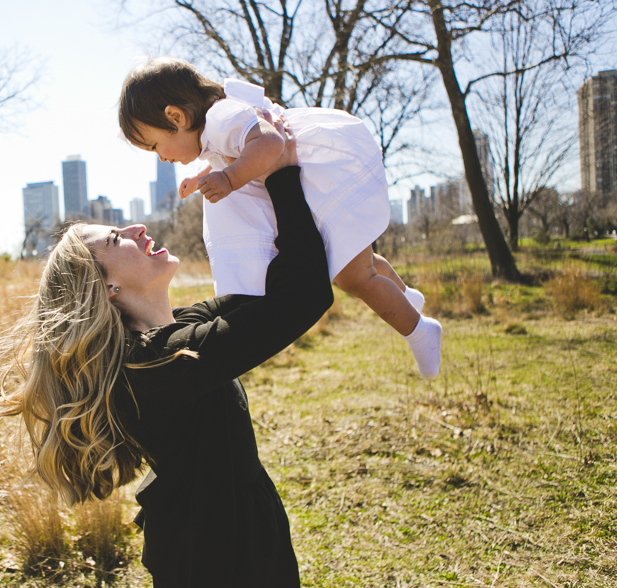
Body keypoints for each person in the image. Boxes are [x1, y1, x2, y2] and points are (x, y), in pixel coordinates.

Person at [0, 132, 330, 588]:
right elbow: (303, 297)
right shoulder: (155, 364)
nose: (137, 229)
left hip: (236, 533)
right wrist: (280, 172)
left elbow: (275, 289)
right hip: (215, 558)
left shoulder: (178, 332)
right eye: (114, 238)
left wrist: (243, 172)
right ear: (106, 289)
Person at [118, 57, 442, 379]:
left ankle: (420, 330)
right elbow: (234, 149)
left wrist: (229, 178)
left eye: (155, 145)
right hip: (314, 183)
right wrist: (207, 173)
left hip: (320, 176)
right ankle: (406, 297)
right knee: (355, 259)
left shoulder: (221, 116)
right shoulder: (215, 126)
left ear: (175, 116)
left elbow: (269, 141)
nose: (161, 157)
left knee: (355, 278)